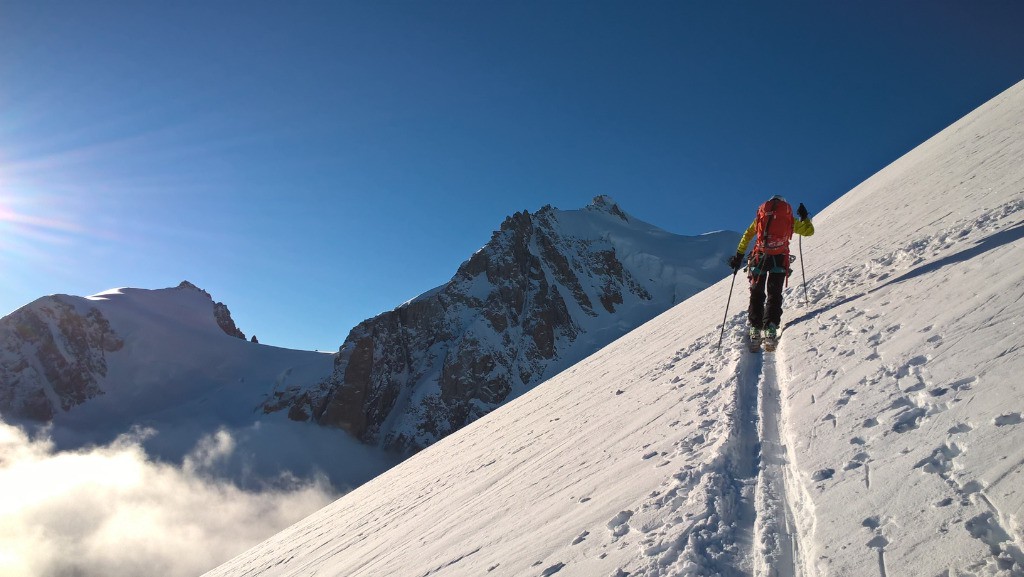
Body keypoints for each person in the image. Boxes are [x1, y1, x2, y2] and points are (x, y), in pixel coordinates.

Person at [727, 195, 814, 341]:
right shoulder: (789, 220)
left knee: (757, 293)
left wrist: (738, 256)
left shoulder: (761, 218)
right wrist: (804, 217)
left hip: (759, 258)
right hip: (779, 260)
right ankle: (771, 326)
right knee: (774, 293)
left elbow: (747, 236)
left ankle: (755, 327)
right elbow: (809, 232)